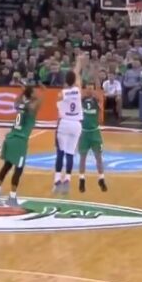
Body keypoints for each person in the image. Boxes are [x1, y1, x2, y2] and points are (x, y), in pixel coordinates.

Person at [0, 85, 43, 207]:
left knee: (6, 166)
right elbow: (38, 104)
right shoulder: (31, 107)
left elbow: (16, 102)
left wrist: (23, 92)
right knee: (18, 169)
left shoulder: (20, 104)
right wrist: (42, 93)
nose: (36, 93)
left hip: (11, 138)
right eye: (34, 91)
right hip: (20, 141)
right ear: (31, 94)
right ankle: (12, 198)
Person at [53, 54, 86, 194]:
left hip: (64, 123)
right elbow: (77, 75)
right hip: (76, 124)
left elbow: (58, 110)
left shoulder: (62, 93)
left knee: (60, 152)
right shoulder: (78, 90)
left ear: (65, 81)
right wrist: (79, 62)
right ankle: (67, 179)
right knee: (70, 153)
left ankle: (57, 180)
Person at [78, 83, 107, 193]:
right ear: (85, 89)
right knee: (82, 157)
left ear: (94, 90)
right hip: (84, 133)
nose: (89, 90)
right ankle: (81, 180)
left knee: (98, 157)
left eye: (91, 88)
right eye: (88, 88)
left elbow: (100, 101)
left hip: (95, 133)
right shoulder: (81, 100)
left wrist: (97, 92)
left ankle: (101, 179)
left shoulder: (97, 100)